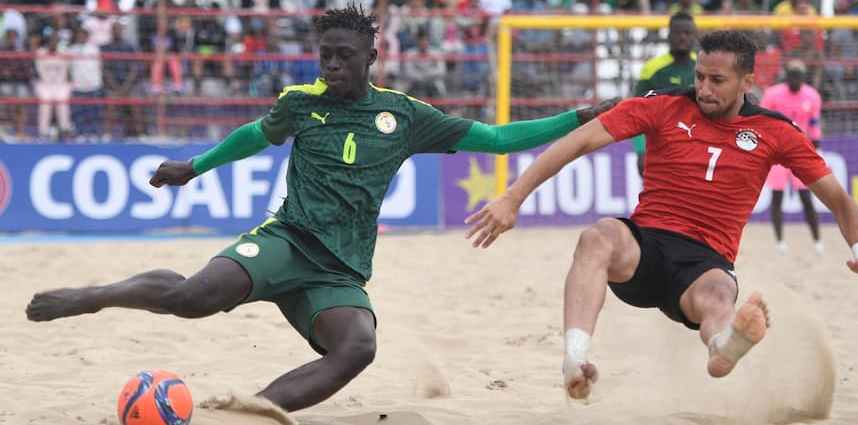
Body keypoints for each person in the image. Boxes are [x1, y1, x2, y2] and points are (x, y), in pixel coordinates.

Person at [25, 5, 616, 414]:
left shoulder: (406, 115)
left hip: (338, 272)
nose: (331, 67)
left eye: (343, 58)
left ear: (371, 57)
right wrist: (194, 167)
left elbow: (497, 139)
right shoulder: (301, 103)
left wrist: (577, 118)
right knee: (192, 300)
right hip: (286, 240)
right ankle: (94, 295)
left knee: (358, 346)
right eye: (324, 57)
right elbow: (255, 137)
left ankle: (254, 410)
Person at [463, 30, 858, 400]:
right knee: (597, 236)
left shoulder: (776, 131)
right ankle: (575, 359)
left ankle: (725, 346)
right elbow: (577, 142)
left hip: (705, 261)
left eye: (717, 80)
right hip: (645, 247)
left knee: (718, 297)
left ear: (748, 80)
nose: (704, 88)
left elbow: (838, 198)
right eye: (700, 76)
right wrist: (513, 197)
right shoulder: (662, 105)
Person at [761, 60, 823, 255]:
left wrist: (816, 145)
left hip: (800, 152)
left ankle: (817, 240)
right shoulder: (772, 94)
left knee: (806, 197)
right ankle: (779, 241)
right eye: (791, 75)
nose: (795, 79)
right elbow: (763, 120)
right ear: (785, 75)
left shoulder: (812, 96)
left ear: (804, 77)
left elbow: (814, 124)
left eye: (798, 75)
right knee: (777, 196)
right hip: (777, 152)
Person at [631, 12, 697, 177]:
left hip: (697, 148)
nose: (683, 37)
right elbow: (636, 111)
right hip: (661, 148)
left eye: (687, 33)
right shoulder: (652, 69)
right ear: (668, 35)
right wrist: (640, 151)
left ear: (694, 36)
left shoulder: (703, 67)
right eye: (678, 33)